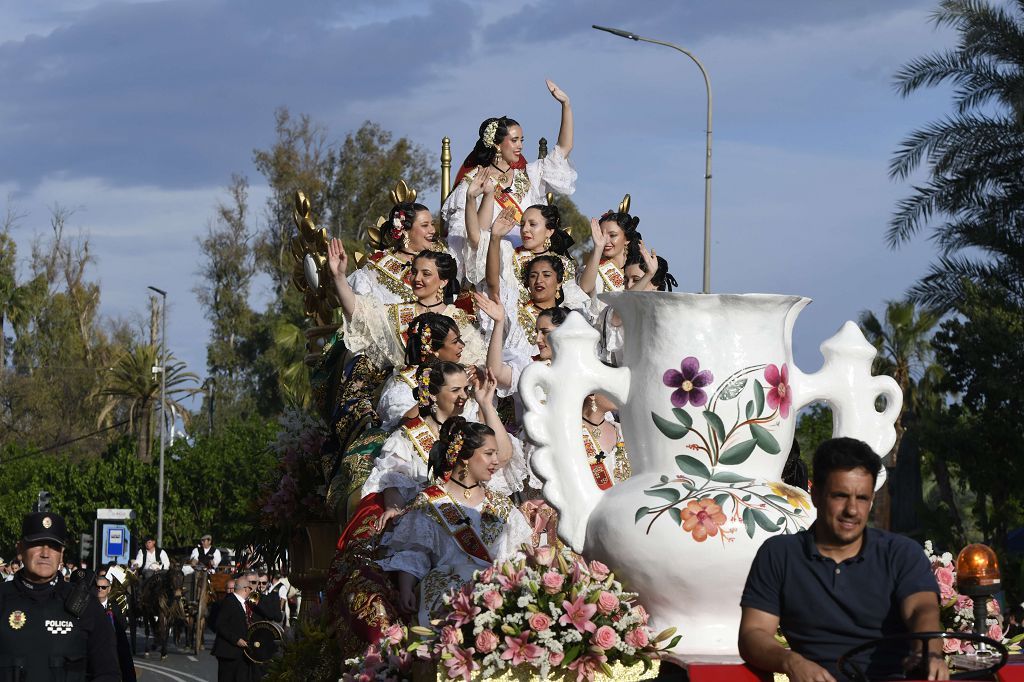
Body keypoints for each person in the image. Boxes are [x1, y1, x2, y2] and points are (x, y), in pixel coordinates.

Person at [738, 438, 947, 681]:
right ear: (815, 495)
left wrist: (929, 651)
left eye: (862, 498)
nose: (852, 510)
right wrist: (791, 661)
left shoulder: (901, 553)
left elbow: (922, 609)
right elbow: (753, 633)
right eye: (840, 496)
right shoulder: (779, 554)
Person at [376, 416, 533, 625]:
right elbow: (414, 554)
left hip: (495, 595)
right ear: (465, 457)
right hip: (447, 595)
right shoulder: (430, 504)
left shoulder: (501, 506)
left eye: (496, 453)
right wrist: (406, 589)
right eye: (488, 454)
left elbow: (518, 556)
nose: (496, 460)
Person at [440, 80, 576, 273]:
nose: (520, 145)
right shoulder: (473, 182)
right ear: (497, 144)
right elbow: (467, 238)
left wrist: (566, 105)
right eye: (514, 140)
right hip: (496, 265)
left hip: (533, 264)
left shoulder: (529, 176)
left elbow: (563, 149)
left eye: (521, 140)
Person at [330, 241, 487, 371]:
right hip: (404, 392)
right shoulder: (397, 312)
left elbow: (479, 359)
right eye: (414, 272)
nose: (417, 278)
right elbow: (358, 311)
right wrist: (338, 277)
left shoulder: (456, 317)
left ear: (443, 281)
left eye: (426, 274)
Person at [0, 512, 120, 682]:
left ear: (61, 554)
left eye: (53, 546)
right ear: (20, 549)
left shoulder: (87, 606)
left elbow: (107, 674)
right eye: (37, 544)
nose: (45, 553)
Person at [347, 201, 443, 304]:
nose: (432, 230)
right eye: (425, 225)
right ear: (405, 230)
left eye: (432, 224)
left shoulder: (441, 255)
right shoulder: (376, 268)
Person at [212, 572, 256, 682]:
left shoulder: (244, 603)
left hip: (241, 654)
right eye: (250, 588)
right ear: (246, 589)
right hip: (229, 654)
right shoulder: (229, 602)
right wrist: (236, 640)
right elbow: (220, 625)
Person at [96, 575, 136, 682]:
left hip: (113, 650)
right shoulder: (89, 605)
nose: (100, 589)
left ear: (109, 589)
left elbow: (121, 628)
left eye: (103, 587)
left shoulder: (115, 607)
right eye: (97, 587)